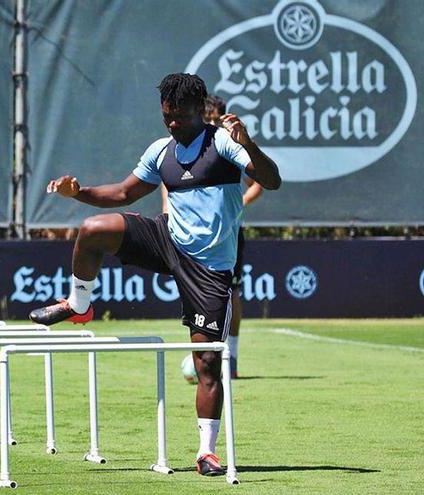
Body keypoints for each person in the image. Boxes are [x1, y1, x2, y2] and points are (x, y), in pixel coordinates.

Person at [29, 74, 280, 476]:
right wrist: (78, 192)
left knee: (207, 363)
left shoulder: (224, 143)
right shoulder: (161, 150)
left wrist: (249, 143)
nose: (171, 124)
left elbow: (272, 180)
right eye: (166, 116)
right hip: (167, 239)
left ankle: (205, 452)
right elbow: (123, 194)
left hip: (210, 267)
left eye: (178, 116)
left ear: (199, 110)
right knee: (94, 229)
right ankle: (78, 303)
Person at [161, 95, 263, 378]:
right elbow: (168, 181)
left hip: (226, 233)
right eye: (210, 118)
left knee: (231, 292)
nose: (214, 123)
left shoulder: (227, 143)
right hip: (189, 232)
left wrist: (235, 204)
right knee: (194, 291)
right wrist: (168, 213)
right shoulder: (184, 144)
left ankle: (230, 356)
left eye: (218, 118)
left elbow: (257, 185)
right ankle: (205, 350)